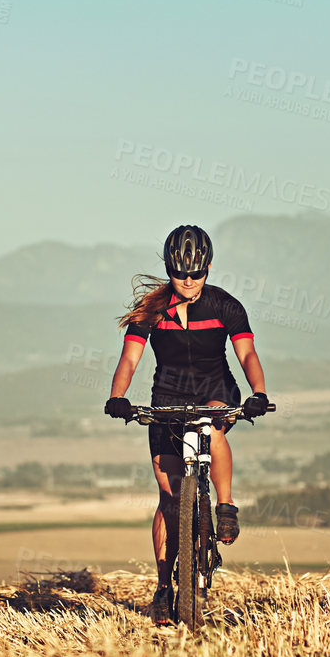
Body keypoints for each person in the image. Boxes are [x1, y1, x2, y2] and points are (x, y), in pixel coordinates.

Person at [104, 225, 271, 622]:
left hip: (216, 391)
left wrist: (259, 392)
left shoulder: (225, 305)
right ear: (169, 269)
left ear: (209, 267)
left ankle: (226, 505)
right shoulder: (151, 309)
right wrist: (117, 397)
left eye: (197, 273)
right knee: (169, 498)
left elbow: (247, 354)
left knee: (210, 426)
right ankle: (164, 586)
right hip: (167, 398)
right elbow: (129, 359)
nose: (189, 281)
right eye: (181, 273)